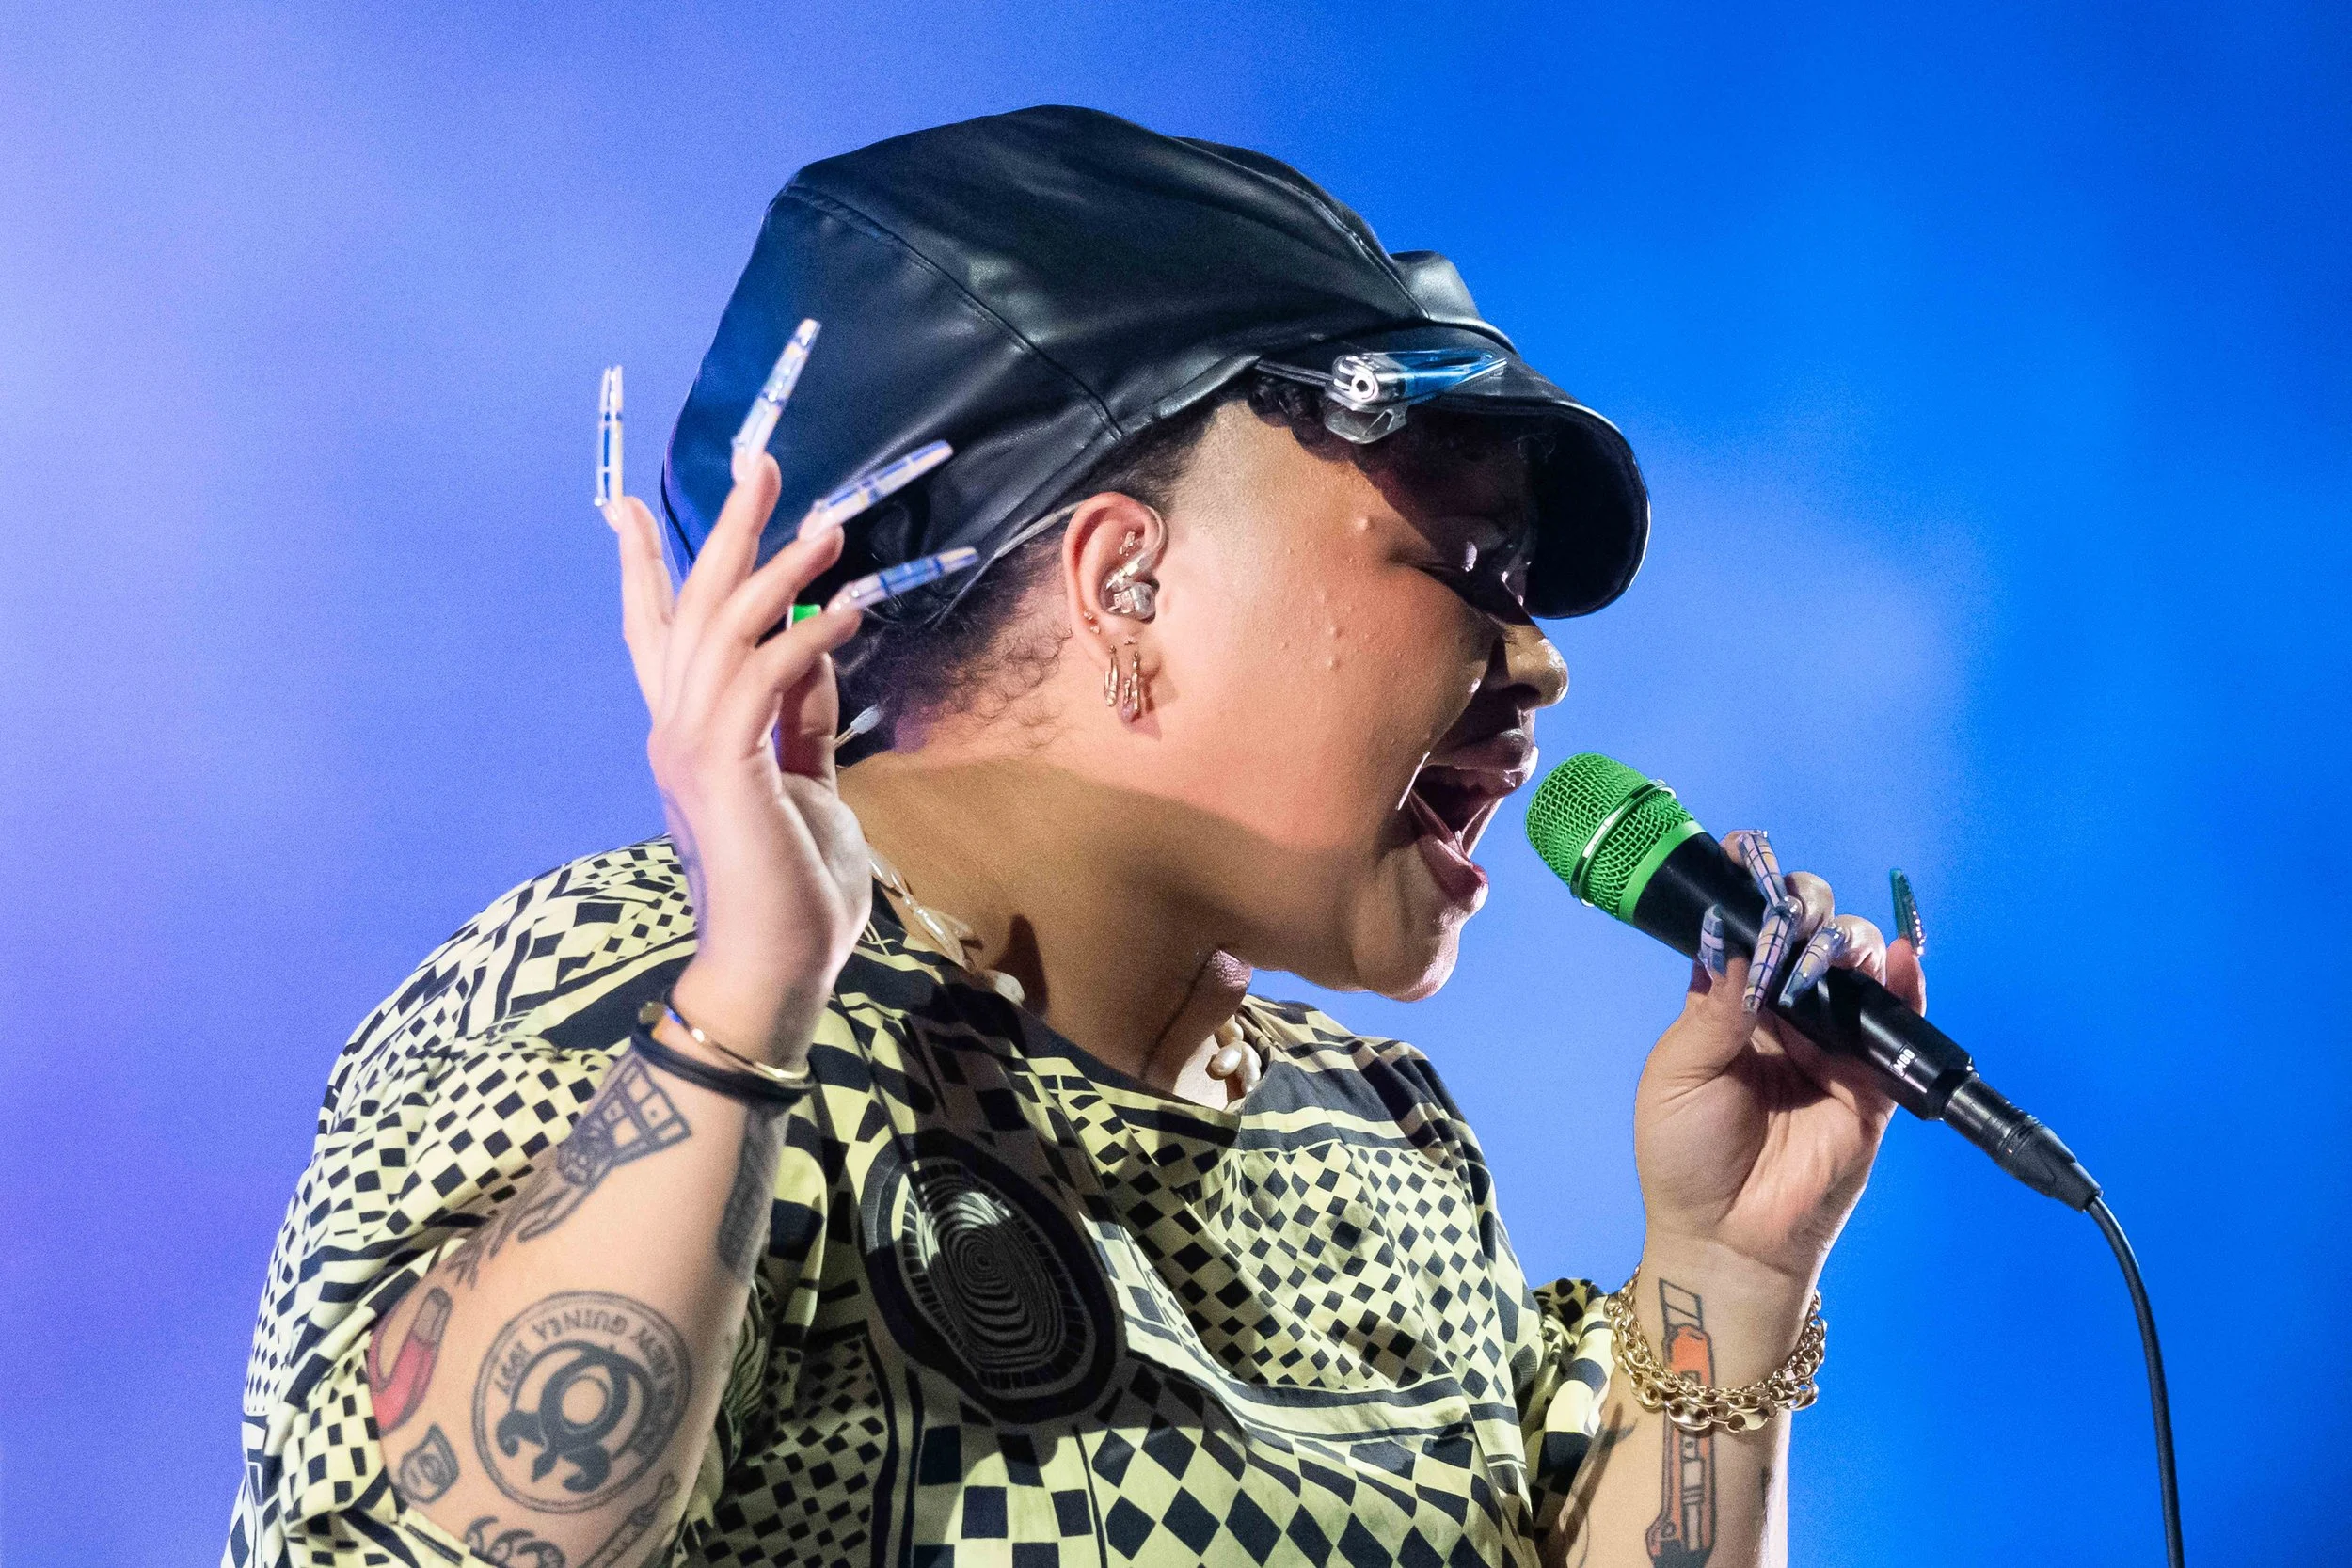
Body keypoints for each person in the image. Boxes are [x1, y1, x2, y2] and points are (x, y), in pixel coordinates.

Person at [227, 106, 1923, 1568]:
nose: (1540, 656)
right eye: (1473, 563)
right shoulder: (645, 985)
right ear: (1130, 583)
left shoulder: (1383, 1141)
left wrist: (1727, 1268)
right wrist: (742, 1013)